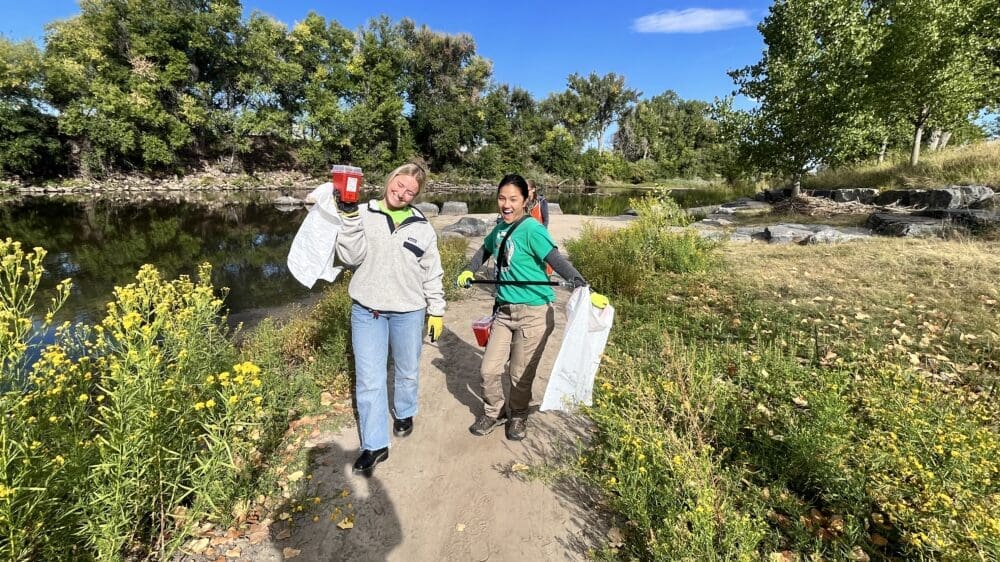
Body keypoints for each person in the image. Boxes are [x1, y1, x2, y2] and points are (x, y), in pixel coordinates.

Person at [456, 173, 608, 441]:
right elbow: (484, 251)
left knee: (519, 374)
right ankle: (494, 412)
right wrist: (470, 270)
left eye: (513, 199)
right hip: (503, 312)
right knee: (488, 370)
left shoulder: (533, 229)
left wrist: (585, 287)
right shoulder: (499, 229)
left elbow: (557, 261)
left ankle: (518, 415)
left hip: (533, 313)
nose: (506, 204)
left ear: (526, 200)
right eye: (502, 198)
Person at [335, 162, 445, 475]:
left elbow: (432, 272)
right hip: (367, 311)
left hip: (409, 311)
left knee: (407, 369)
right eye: (399, 185)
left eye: (411, 191)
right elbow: (350, 257)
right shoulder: (364, 212)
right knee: (369, 379)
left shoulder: (422, 226)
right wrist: (349, 215)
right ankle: (375, 444)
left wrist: (436, 310)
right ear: (389, 180)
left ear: (417, 195)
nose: (402, 193)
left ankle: (406, 410)